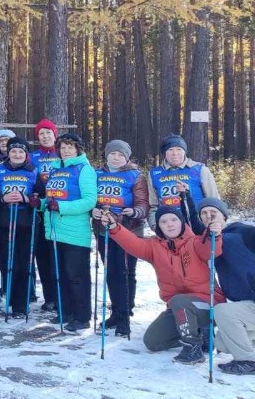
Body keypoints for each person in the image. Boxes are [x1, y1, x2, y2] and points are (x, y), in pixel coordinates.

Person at [101, 206, 224, 364]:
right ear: (158, 226)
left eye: (174, 220)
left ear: (182, 222)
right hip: (179, 309)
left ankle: (192, 348)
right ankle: (199, 334)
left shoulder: (196, 242)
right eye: (164, 222)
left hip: (208, 305)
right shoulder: (154, 246)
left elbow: (210, 249)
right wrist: (114, 227)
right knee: (153, 341)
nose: (169, 224)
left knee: (179, 300)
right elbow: (133, 243)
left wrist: (214, 234)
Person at [30, 133, 97, 331]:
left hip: (75, 232)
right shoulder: (55, 169)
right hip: (54, 231)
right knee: (59, 274)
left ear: (78, 149)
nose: (66, 150)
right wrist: (41, 203)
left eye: (70, 147)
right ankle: (65, 311)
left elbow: (89, 201)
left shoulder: (84, 169)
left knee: (76, 276)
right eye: (62, 147)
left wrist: (61, 207)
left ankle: (82, 317)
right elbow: (53, 199)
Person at [90, 139, 148, 336]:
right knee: (112, 272)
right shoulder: (97, 174)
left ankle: (125, 315)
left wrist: (134, 212)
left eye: (120, 155)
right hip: (103, 229)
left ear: (127, 157)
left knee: (125, 272)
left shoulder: (135, 176)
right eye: (112, 154)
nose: (116, 158)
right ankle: (116, 311)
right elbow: (91, 198)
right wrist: (93, 210)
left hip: (128, 230)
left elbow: (143, 204)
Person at [197, 198, 255, 375]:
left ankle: (248, 361)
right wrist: (186, 197)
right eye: (204, 214)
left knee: (222, 312)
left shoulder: (243, 232)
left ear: (224, 216)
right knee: (222, 343)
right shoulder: (211, 241)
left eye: (213, 212)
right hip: (248, 303)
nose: (209, 216)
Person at [0, 137, 38, 318]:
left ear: (26, 154)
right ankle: (11, 299)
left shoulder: (33, 170)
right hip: (4, 223)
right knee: (7, 263)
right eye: (13, 151)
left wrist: (27, 199)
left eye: (21, 152)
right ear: (8, 153)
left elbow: (41, 195)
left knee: (24, 265)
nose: (17, 155)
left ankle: (21, 304)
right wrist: (2, 199)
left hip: (26, 224)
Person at [148, 134, 221, 230]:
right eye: (170, 150)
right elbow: (152, 205)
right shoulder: (154, 173)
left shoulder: (200, 169)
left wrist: (215, 223)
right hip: (169, 227)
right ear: (165, 153)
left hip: (198, 225)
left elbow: (214, 200)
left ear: (184, 151)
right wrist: (155, 226)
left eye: (179, 149)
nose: (175, 153)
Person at [29, 118, 60, 311]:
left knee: (58, 255)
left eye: (48, 132)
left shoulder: (63, 153)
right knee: (42, 255)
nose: (45, 136)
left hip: (60, 209)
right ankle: (49, 297)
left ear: (54, 135)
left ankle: (61, 297)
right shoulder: (32, 157)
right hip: (39, 210)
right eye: (42, 133)